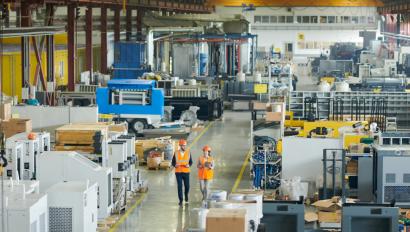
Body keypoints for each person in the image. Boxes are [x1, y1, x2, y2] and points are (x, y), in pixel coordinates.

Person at [172, 139, 193, 206]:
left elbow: (191, 162)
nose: (184, 147)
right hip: (178, 172)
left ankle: (186, 195)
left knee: (187, 186)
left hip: (186, 172)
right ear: (180, 146)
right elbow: (173, 162)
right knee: (180, 186)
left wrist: (188, 165)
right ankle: (180, 200)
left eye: (185, 145)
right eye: (183, 146)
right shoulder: (176, 153)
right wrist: (175, 165)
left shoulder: (188, 152)